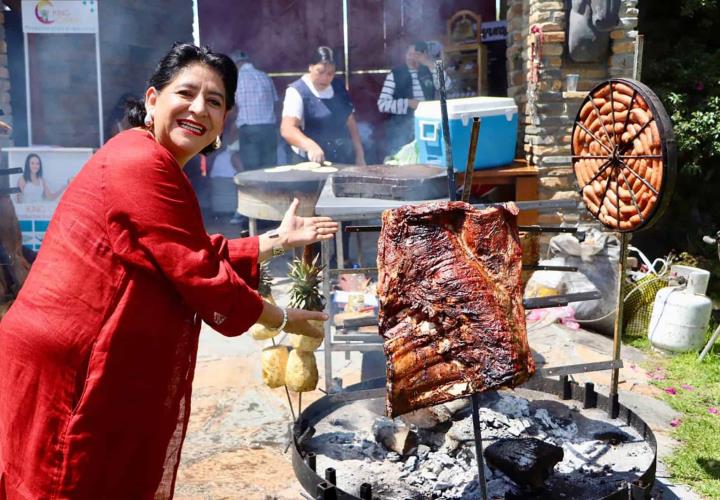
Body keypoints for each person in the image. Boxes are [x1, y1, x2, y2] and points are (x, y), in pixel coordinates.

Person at [0, 42, 338, 499]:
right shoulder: (140, 162)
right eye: (187, 93)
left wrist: (274, 240)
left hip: (82, 355)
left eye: (215, 101)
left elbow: (179, 248)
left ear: (223, 122)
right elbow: (196, 271)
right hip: (74, 365)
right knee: (69, 482)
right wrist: (280, 318)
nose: (199, 108)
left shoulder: (151, 160)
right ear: (153, 99)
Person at [281, 46, 365, 165]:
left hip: (341, 157)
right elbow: (287, 129)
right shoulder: (297, 91)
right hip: (309, 161)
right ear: (310, 67)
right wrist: (310, 146)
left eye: (330, 73)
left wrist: (359, 154)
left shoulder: (338, 87)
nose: (325, 78)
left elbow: (350, 121)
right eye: (320, 72)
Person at [377, 41, 447, 156]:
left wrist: (431, 65)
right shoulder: (395, 74)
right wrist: (408, 103)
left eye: (416, 54)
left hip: (428, 126)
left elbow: (446, 86)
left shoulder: (429, 70)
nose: (412, 57)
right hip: (401, 130)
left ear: (424, 55)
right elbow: (382, 105)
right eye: (409, 54)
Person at [233, 50, 279, 170]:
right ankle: (270, 189)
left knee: (252, 172)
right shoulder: (265, 76)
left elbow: (232, 107)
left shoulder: (236, 79)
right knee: (270, 169)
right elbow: (275, 103)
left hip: (249, 130)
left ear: (236, 64)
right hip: (269, 129)